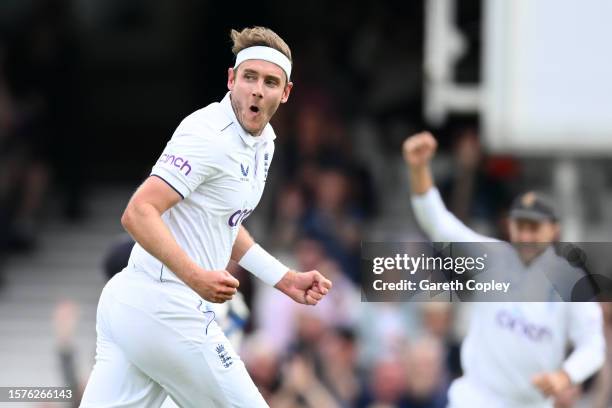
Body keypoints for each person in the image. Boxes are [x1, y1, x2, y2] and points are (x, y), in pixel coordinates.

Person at [81, 26, 332, 408]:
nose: (257, 90)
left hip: (135, 307)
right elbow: (138, 213)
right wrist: (196, 277)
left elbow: (223, 221)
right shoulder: (207, 134)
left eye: (269, 82)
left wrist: (282, 278)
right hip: (167, 308)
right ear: (232, 79)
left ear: (285, 93)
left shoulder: (264, 142)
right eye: (249, 77)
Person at [402, 131, 605, 408]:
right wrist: (418, 168)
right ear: (509, 226)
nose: (527, 235)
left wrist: (566, 375)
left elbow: (594, 346)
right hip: (475, 399)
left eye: (535, 227)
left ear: (553, 229)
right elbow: (438, 224)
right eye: (520, 226)